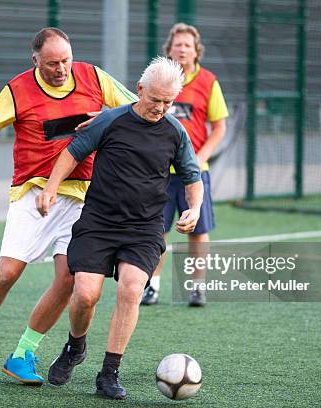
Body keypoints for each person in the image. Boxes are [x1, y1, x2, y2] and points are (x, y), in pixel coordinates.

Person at [0, 27, 137, 385]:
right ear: (35, 61)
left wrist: (106, 118)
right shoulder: (16, 90)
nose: (62, 69)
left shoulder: (93, 76)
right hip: (33, 193)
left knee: (69, 277)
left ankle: (22, 354)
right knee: (7, 273)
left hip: (83, 196)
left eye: (66, 60)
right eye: (52, 64)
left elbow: (134, 109)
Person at [36, 57, 203, 399]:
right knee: (85, 294)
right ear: (140, 89)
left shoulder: (175, 132)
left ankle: (109, 373)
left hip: (143, 228)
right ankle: (75, 347)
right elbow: (72, 153)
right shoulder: (111, 121)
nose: (160, 108)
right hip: (98, 223)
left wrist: (195, 208)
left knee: (130, 290)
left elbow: (191, 177)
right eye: (155, 99)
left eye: (168, 102)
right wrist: (51, 187)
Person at [141, 23, 229, 307]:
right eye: (177, 44)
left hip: (194, 175)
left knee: (198, 232)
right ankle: (151, 286)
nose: (182, 49)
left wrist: (199, 159)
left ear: (196, 50)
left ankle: (197, 287)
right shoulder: (156, 79)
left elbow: (218, 128)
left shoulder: (208, 82)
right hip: (159, 173)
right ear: (169, 49)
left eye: (187, 45)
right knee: (157, 231)